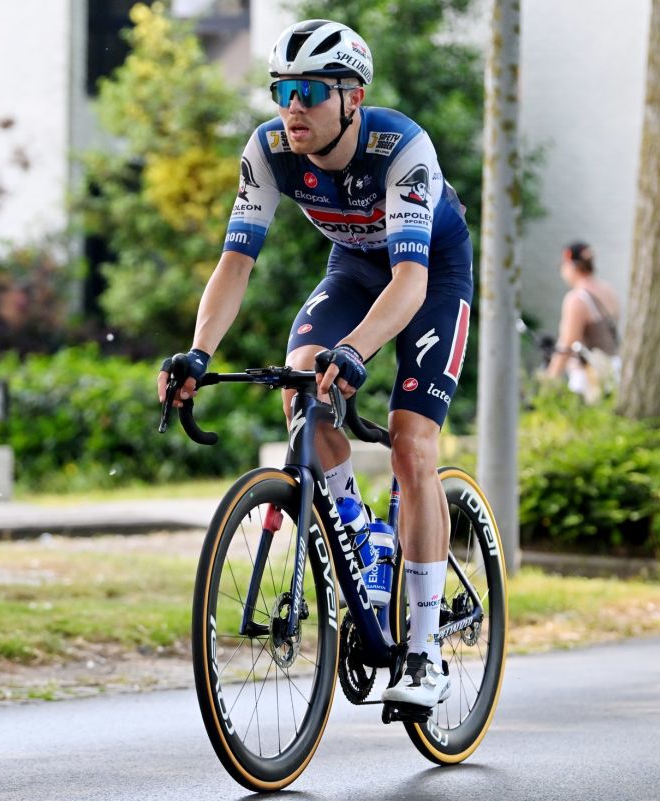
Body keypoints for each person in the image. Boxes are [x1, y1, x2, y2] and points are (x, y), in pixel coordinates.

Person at [156, 19, 473, 711]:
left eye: (310, 92)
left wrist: (356, 349)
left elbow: (410, 284)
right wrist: (199, 352)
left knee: (412, 444)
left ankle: (424, 652)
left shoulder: (402, 149)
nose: (292, 108)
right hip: (355, 269)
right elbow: (235, 263)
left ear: (352, 98)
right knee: (301, 376)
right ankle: (356, 527)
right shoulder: (270, 150)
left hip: (428, 276)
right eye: (281, 91)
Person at [545, 241, 621, 401]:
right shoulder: (608, 290)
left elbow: (568, 343)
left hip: (589, 378)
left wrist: (550, 380)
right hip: (614, 370)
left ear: (571, 266)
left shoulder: (577, 299)